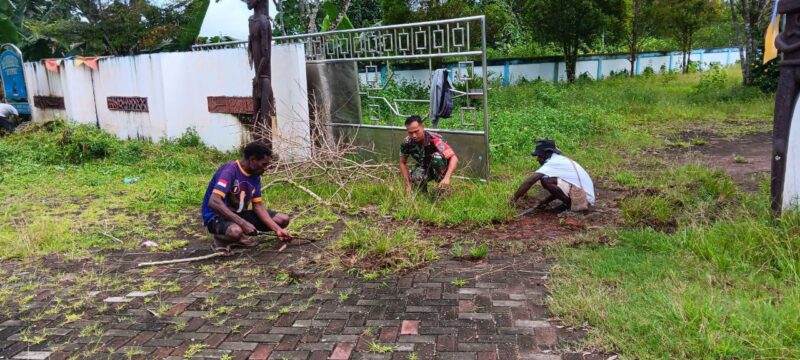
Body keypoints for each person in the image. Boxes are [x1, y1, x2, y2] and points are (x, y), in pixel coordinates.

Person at [201, 142, 291, 253]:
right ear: (252, 160)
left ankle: (237, 237)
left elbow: (258, 205)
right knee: (235, 231)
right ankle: (221, 239)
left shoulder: (255, 175)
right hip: (217, 216)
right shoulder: (230, 170)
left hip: (238, 214)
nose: (266, 168)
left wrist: (278, 230)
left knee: (282, 220)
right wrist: (243, 224)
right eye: (264, 164)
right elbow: (213, 201)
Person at [511, 139, 595, 212]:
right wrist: (545, 201)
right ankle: (568, 203)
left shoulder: (552, 163)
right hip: (586, 196)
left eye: (539, 156)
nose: (538, 159)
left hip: (584, 199)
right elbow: (559, 189)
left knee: (546, 181)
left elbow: (530, 181)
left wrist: (512, 200)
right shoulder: (558, 160)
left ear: (547, 153)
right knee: (548, 180)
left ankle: (570, 206)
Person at [399, 115, 459, 192]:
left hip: (440, 168)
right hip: (424, 167)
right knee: (416, 176)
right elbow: (402, 162)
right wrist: (408, 184)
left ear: (423, 127)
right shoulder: (407, 143)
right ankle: (422, 194)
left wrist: (447, 178)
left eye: (416, 131)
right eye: (410, 133)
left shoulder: (435, 139)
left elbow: (454, 158)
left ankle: (443, 187)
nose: (414, 135)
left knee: (437, 157)